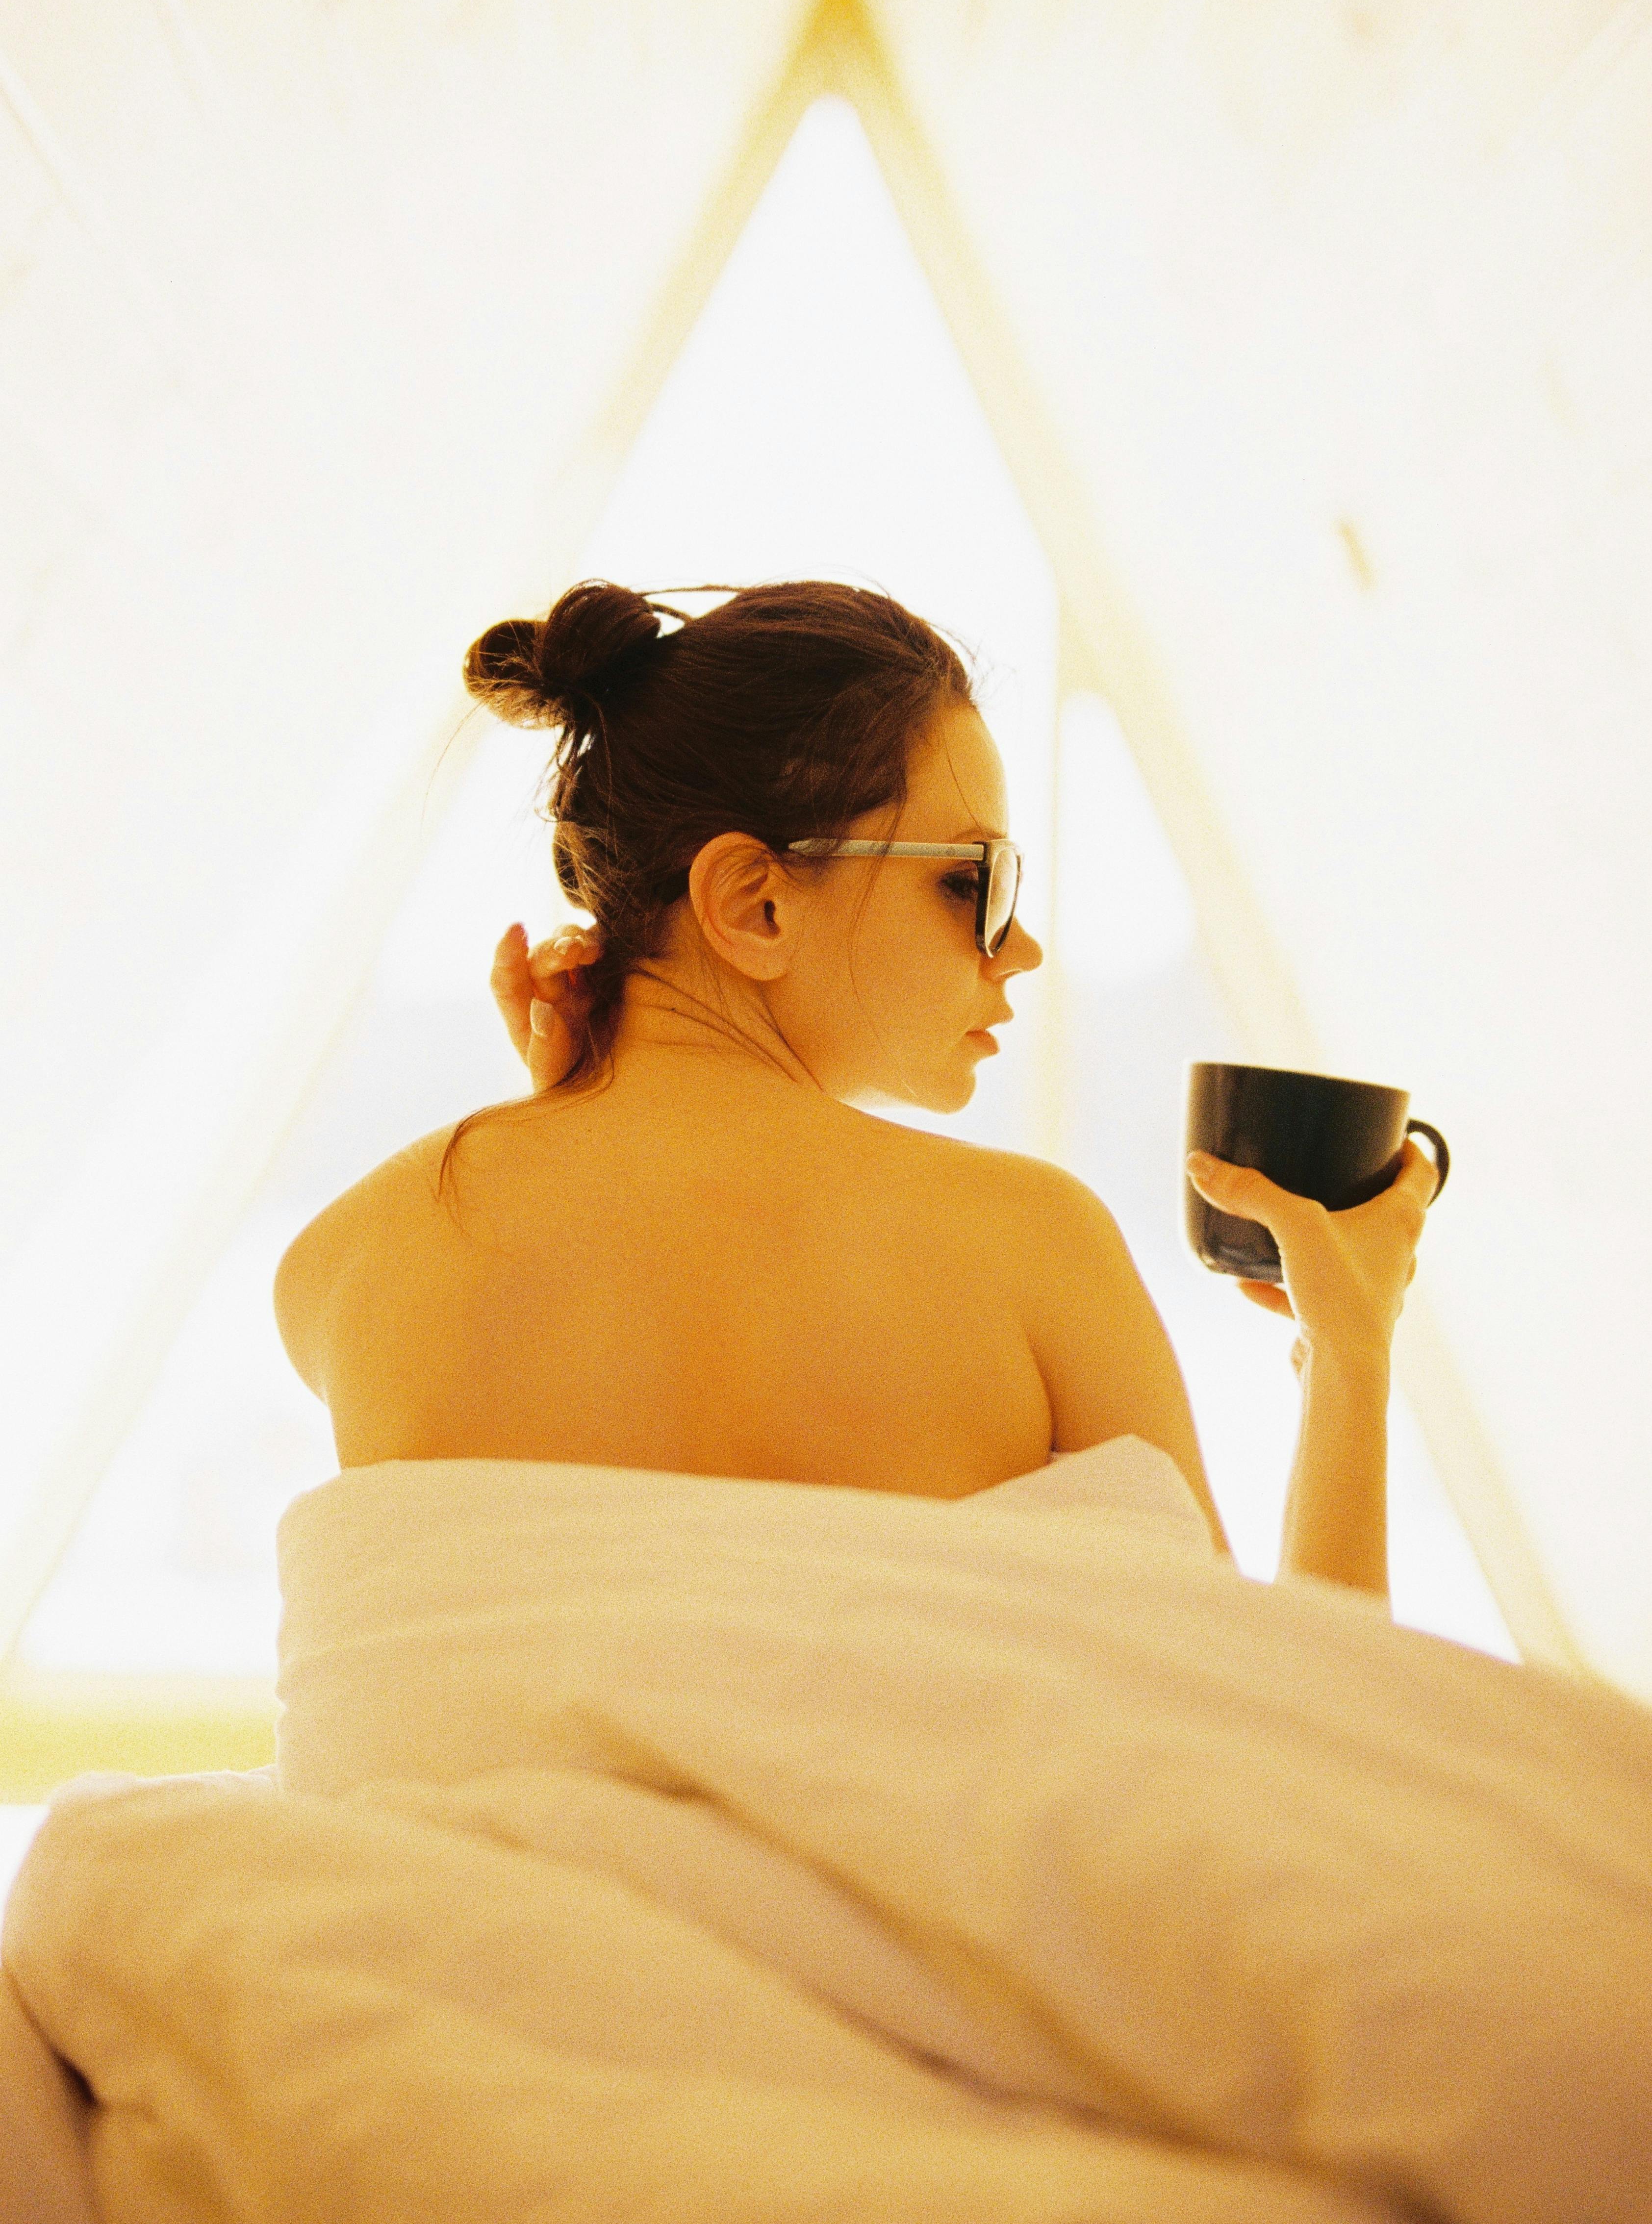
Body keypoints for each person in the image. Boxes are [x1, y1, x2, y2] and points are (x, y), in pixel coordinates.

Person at [275, 577, 1436, 1602]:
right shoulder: (1031, 1251)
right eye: (976, 881)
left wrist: (578, 1116)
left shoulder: (341, 1271)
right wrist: (1350, 1351)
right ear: (753, 903)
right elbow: (1276, 1784)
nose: (1019, 945)